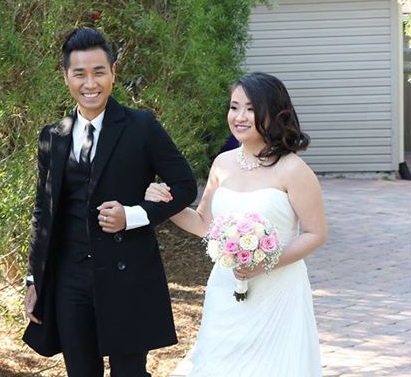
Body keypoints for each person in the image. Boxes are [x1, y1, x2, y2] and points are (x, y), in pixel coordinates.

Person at [22, 26, 197, 377]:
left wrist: (134, 215)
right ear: (66, 76)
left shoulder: (142, 127)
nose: (90, 83)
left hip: (127, 275)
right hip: (70, 278)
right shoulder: (52, 136)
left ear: (113, 73)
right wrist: (33, 278)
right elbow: (43, 211)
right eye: (80, 74)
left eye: (99, 72)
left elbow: (185, 185)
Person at [144, 71, 327, 376]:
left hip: (278, 290)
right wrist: (165, 204)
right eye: (234, 107)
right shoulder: (222, 163)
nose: (239, 117)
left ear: (274, 113)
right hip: (226, 286)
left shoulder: (294, 169)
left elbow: (316, 233)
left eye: (251, 109)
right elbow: (204, 224)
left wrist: (265, 263)